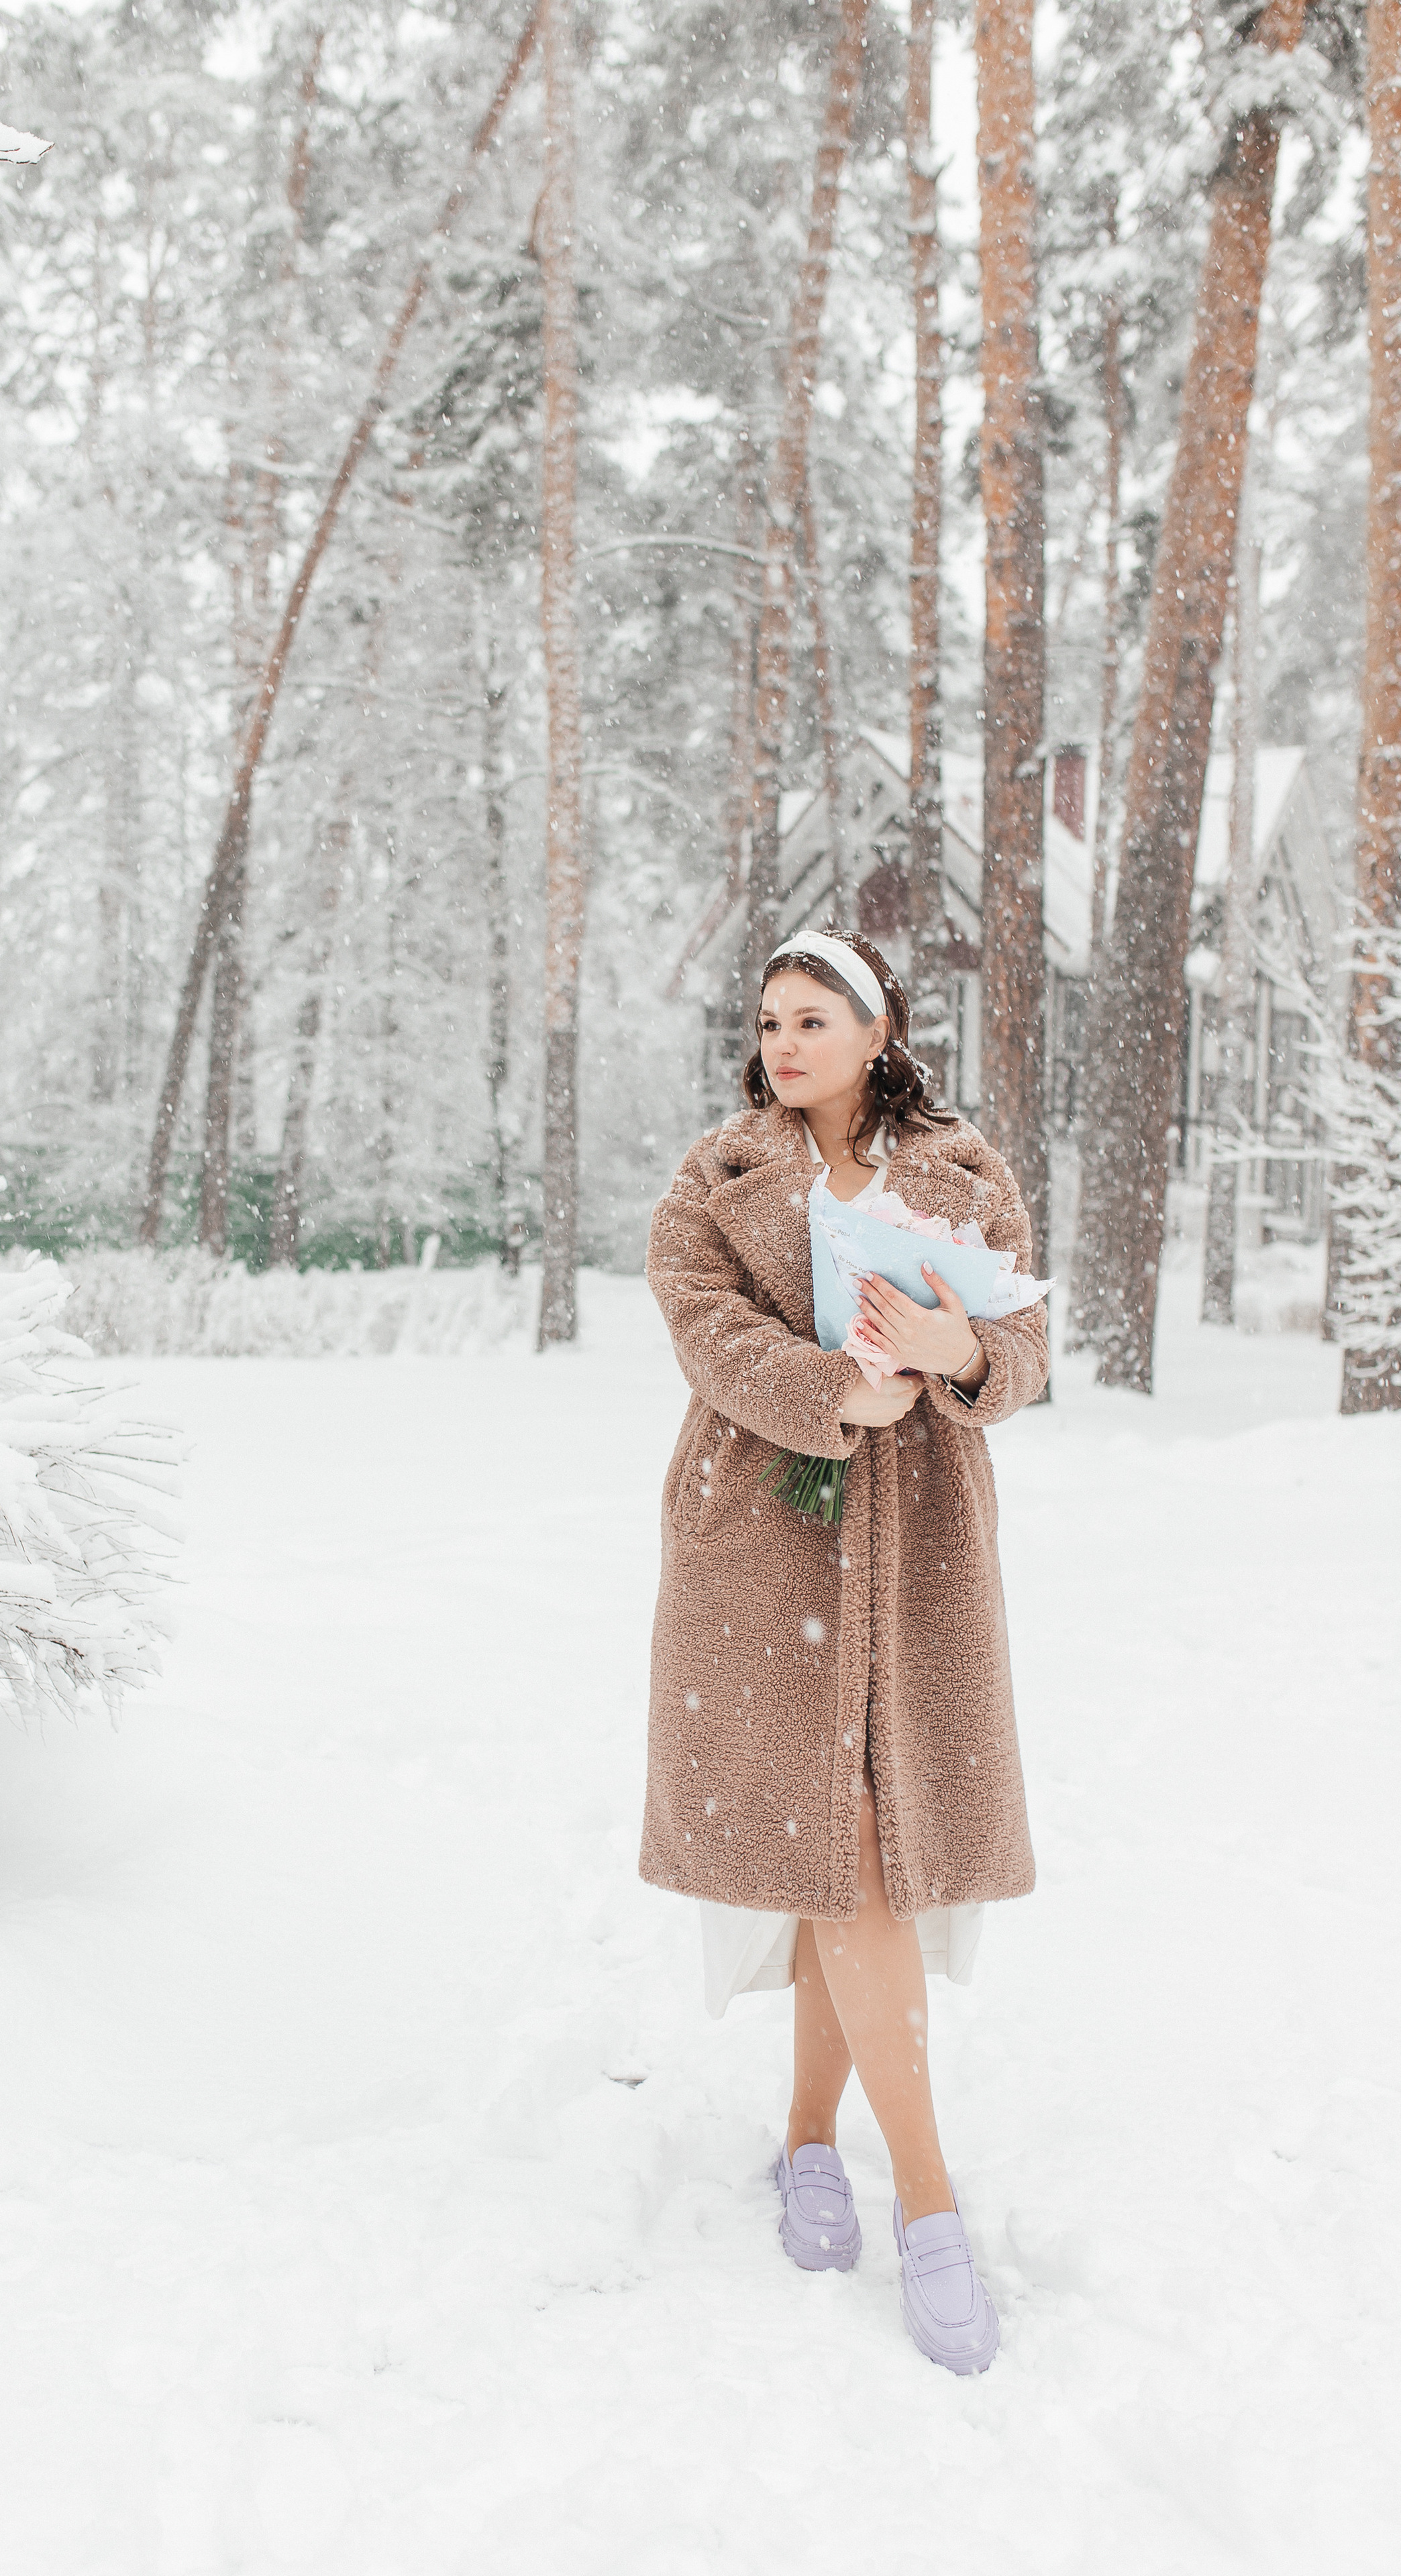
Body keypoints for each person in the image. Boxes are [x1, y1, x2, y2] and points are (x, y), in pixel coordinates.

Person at [639, 926, 1049, 2375]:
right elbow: (702, 1330)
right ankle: (925, 2201)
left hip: (920, 1548)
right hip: (762, 1538)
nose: (785, 1043)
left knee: (861, 1844)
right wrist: (831, 1392)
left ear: (879, 1033)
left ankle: (815, 2138)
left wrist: (956, 1356)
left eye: (814, 1018)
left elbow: (1024, 1348)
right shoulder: (716, 1178)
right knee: (840, 1844)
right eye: (770, 1021)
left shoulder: (963, 1171)